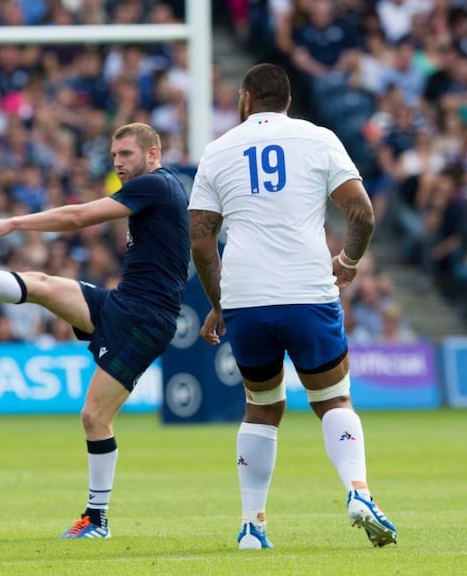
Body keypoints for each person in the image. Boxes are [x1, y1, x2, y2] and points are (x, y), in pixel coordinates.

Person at [0, 123, 189, 538]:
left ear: (153, 155)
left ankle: (97, 520)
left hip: (146, 320)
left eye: (127, 155)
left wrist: (12, 223)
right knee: (42, 285)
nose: (118, 163)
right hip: (122, 304)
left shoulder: (156, 185)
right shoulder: (158, 188)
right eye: (115, 155)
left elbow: (78, 217)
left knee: (94, 417)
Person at [187, 63, 398, 550]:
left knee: (261, 407)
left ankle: (252, 527)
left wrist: (219, 304)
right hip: (307, 289)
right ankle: (358, 493)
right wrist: (348, 260)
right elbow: (361, 213)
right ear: (287, 99)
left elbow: (201, 243)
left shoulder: (218, 151)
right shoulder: (318, 138)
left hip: (246, 299)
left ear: (245, 98)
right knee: (332, 399)